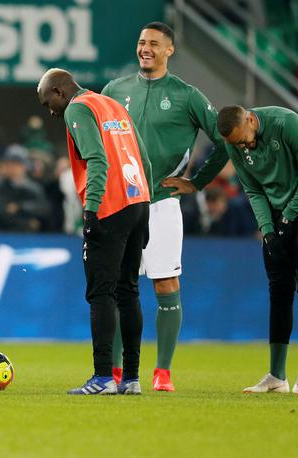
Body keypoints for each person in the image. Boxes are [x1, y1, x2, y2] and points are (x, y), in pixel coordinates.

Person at [101, 21, 229, 390]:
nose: (146, 48)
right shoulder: (115, 89)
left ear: (169, 50)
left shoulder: (187, 95)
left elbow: (223, 141)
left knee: (165, 283)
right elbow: (95, 138)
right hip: (122, 202)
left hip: (161, 204)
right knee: (116, 286)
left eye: (154, 44)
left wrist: (197, 182)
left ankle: (162, 373)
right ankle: (113, 370)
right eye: (142, 42)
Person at [37, 68, 152, 395]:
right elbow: (142, 158)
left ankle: (103, 377)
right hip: (137, 200)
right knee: (129, 291)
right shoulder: (112, 105)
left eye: (49, 103)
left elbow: (97, 160)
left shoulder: (78, 108)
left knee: (101, 292)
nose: (51, 112)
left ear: (59, 91)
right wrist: (147, 201)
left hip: (109, 206)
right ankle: (131, 378)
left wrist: (90, 213)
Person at [207, 105, 298, 394]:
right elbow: (253, 189)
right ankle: (276, 376)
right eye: (236, 144)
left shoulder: (286, 123)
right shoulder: (234, 143)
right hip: (276, 210)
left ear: (250, 119)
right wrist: (268, 229)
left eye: (244, 139)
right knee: (279, 289)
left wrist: (289, 215)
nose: (244, 146)